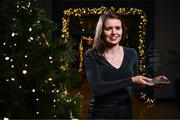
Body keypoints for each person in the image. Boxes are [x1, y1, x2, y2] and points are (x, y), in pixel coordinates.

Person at [83, 11, 169, 119]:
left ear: (122, 30)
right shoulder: (91, 55)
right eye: (108, 28)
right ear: (101, 31)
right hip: (100, 113)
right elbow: (98, 89)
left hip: (125, 112)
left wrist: (152, 83)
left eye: (118, 28)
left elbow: (135, 90)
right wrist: (131, 80)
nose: (114, 32)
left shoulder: (131, 53)